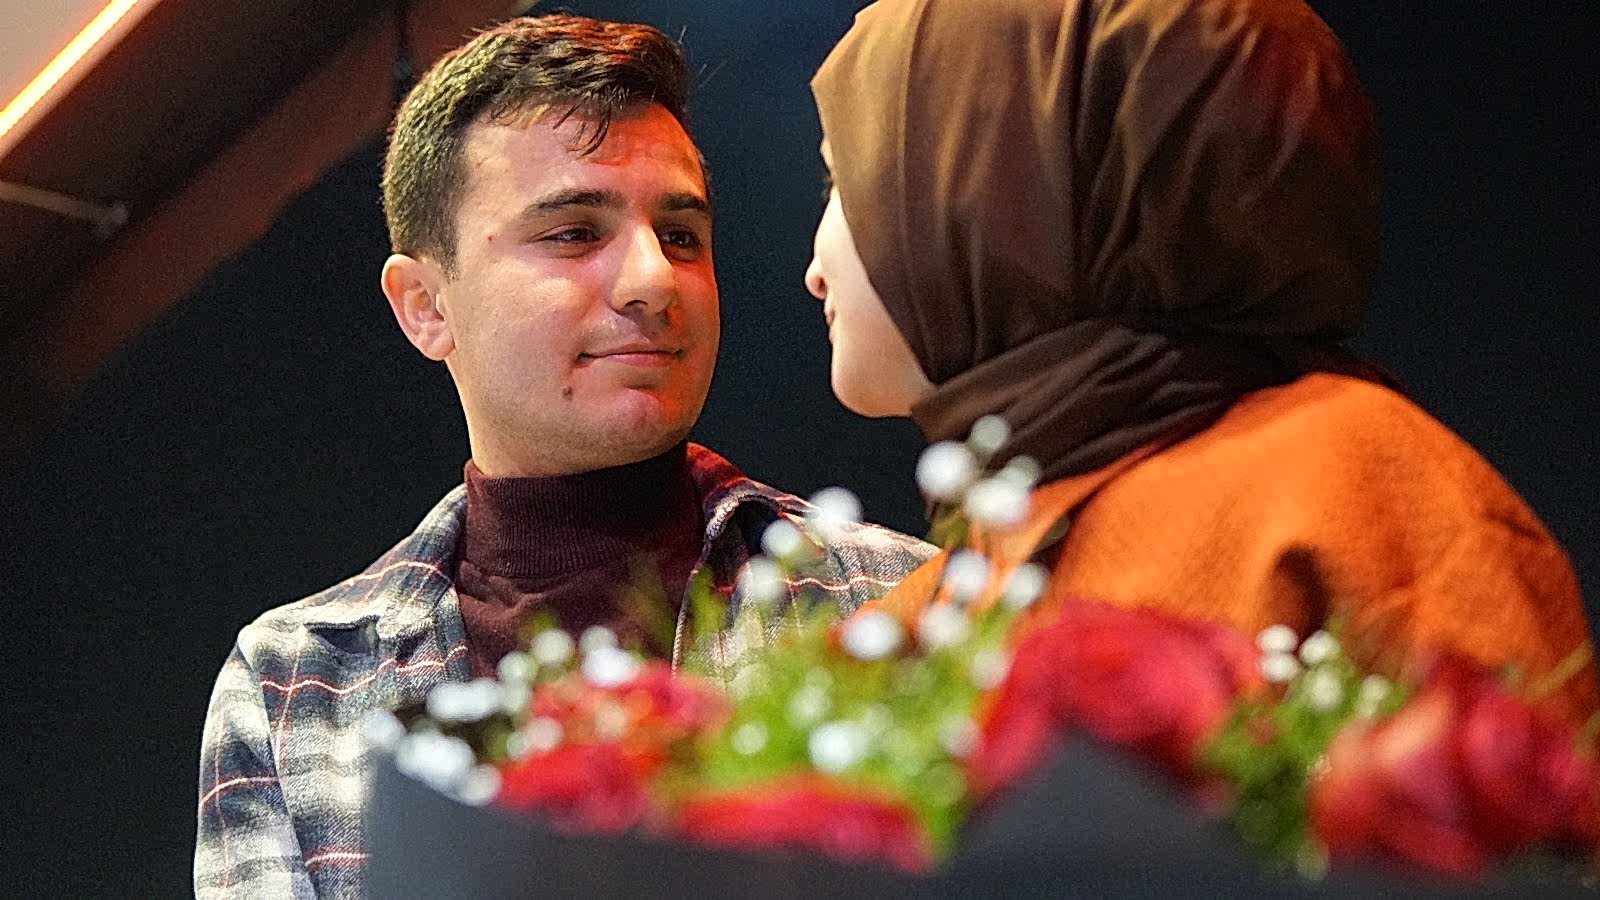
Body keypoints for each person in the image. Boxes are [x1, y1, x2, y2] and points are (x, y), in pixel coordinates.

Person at [195, 14, 933, 897]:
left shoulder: (898, 598)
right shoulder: (296, 681)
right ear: (425, 304)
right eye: (575, 233)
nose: (653, 280)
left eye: (682, 235)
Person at [805, 0, 1597, 723]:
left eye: (843, 180)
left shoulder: (1358, 490)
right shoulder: (938, 596)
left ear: (993, 187)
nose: (813, 269)